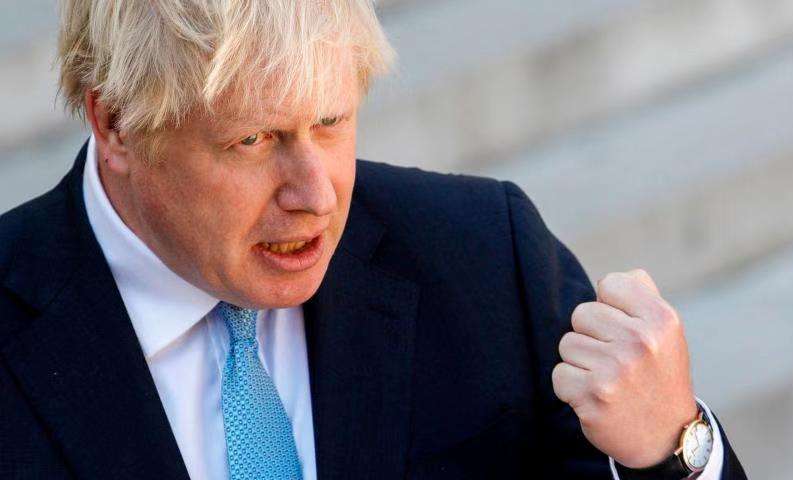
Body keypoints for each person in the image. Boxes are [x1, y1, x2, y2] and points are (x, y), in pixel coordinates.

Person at [0, 1, 747, 479]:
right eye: (253, 140)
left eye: (330, 123)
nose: (316, 195)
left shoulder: (485, 255)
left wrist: (675, 448)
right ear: (116, 124)